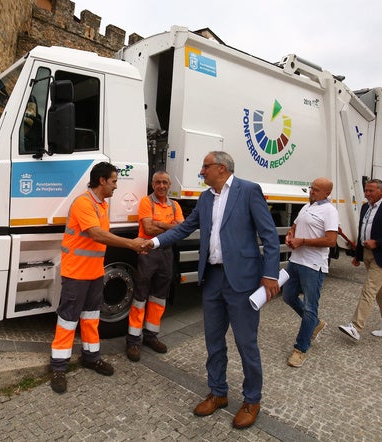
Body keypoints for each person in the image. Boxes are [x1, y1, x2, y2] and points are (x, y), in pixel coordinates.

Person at [145, 151, 280, 430]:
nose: (201, 172)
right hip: (214, 278)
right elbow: (184, 228)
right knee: (213, 342)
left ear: (221, 168)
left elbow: (269, 235)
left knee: (246, 343)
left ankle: (252, 400)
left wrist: (269, 275)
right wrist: (155, 242)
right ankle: (218, 392)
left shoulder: (248, 191)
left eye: (205, 167)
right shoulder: (206, 198)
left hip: (242, 281)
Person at [49, 162, 148, 394]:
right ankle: (58, 367)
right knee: (68, 319)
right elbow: (96, 234)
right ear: (101, 181)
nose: (116, 186)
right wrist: (130, 244)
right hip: (76, 273)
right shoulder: (84, 203)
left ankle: (91, 357)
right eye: (113, 181)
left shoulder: (101, 205)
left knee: (92, 317)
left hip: (94, 272)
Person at [338, 179, 382, 341]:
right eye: (366, 190)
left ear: (381, 191)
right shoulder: (365, 207)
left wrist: (378, 243)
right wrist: (357, 256)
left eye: (371, 191)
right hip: (367, 255)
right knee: (380, 293)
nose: (367, 194)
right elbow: (362, 232)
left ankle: (356, 327)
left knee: (369, 289)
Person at [126, 171, 184, 362]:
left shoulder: (175, 205)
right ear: (152, 184)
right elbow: (148, 229)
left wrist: (159, 223)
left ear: (169, 185)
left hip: (166, 253)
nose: (161, 186)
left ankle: (151, 336)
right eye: (158, 182)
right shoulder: (146, 202)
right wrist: (170, 226)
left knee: (159, 297)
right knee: (141, 296)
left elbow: (182, 230)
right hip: (148, 251)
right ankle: (133, 340)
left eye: (165, 182)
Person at [282, 177, 339, 367]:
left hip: (313, 266)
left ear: (327, 193)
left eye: (316, 190)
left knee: (309, 308)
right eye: (311, 188)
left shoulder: (330, 211)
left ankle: (300, 349)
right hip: (296, 261)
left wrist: (303, 241)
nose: (311, 192)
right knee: (288, 297)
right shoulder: (308, 207)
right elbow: (296, 226)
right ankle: (314, 324)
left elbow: (331, 240)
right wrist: (290, 235)